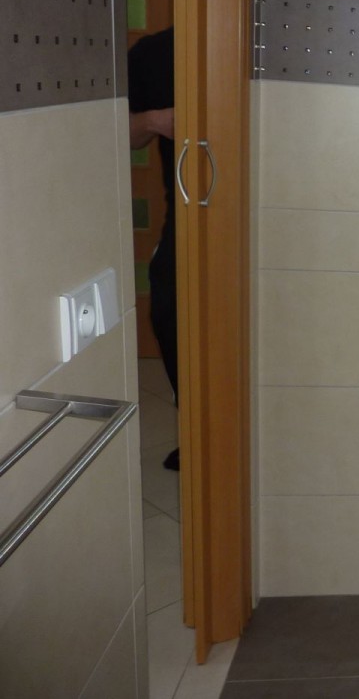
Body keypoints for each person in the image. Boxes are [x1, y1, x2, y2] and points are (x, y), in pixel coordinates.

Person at [128, 27, 180, 471]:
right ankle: (199, 426)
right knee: (167, 313)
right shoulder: (155, 51)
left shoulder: (258, 37)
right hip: (190, 209)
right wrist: (155, 121)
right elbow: (121, 131)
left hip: (265, 205)